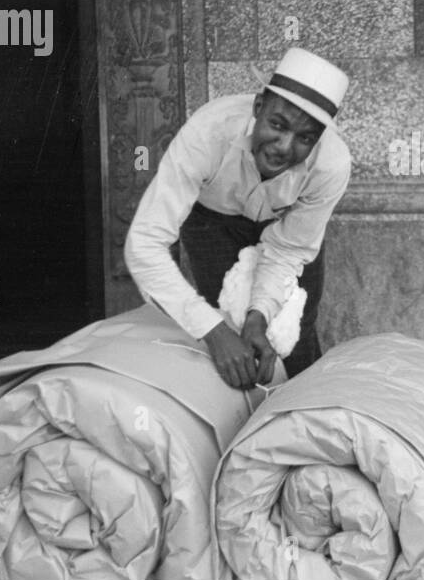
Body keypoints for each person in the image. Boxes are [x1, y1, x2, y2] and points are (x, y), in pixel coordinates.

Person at [124, 48, 351, 389]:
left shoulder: (331, 163)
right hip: (212, 220)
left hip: (283, 227)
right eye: (277, 125)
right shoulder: (208, 132)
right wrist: (213, 332)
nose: (283, 147)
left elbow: (288, 251)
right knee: (229, 335)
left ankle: (304, 425)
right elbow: (144, 244)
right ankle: (240, 430)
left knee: (294, 336)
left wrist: (259, 316)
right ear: (258, 107)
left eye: (305, 138)